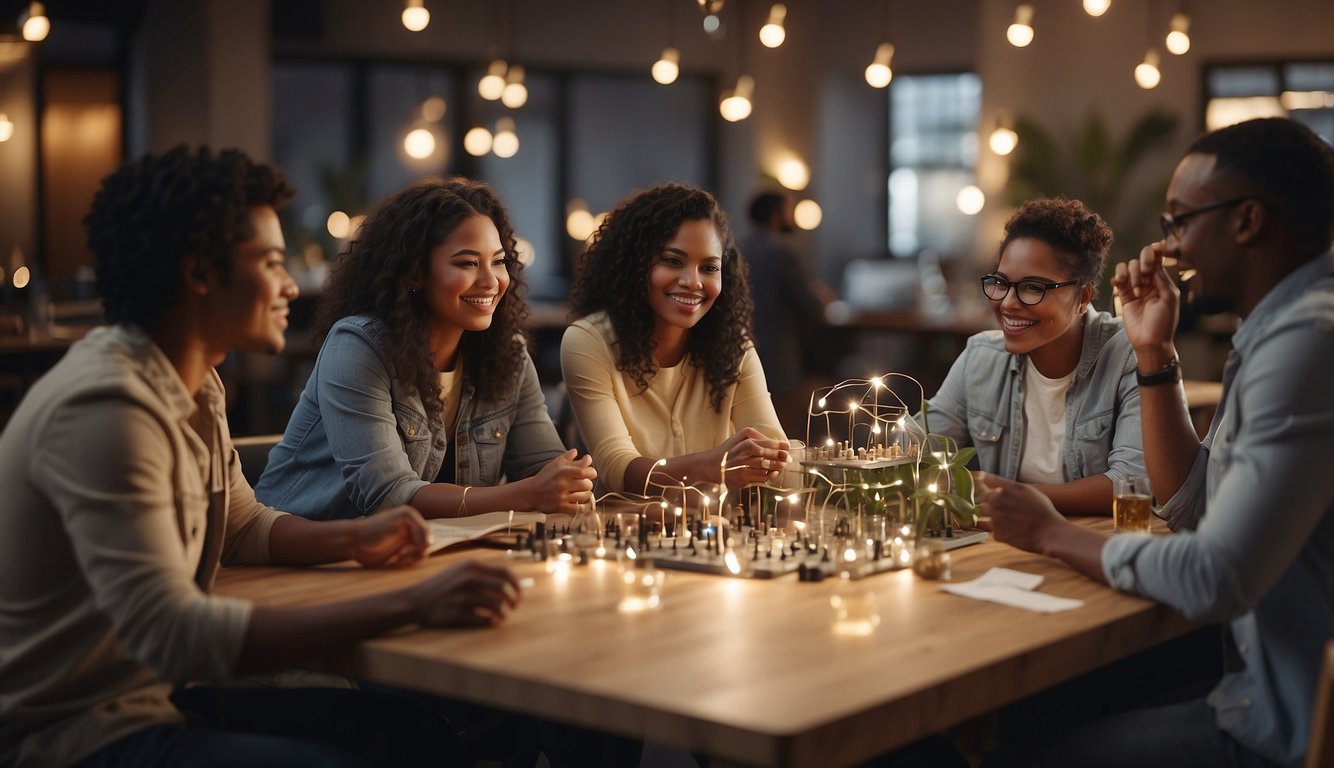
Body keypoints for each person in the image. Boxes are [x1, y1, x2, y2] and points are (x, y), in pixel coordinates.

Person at [0, 146, 523, 767]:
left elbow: (244, 527)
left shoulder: (195, 383)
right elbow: (174, 635)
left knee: (412, 733)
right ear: (199, 275)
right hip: (73, 735)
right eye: (272, 263)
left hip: (159, 700)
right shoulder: (109, 407)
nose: (289, 286)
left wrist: (357, 539)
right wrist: (413, 601)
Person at [978, 117, 1334, 768]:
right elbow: (1191, 508)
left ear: (1248, 221)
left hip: (1290, 727)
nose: (1167, 246)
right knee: (1039, 713)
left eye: (1179, 221)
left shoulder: (1308, 344)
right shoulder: (1274, 330)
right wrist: (1153, 350)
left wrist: (1051, 532)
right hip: (1255, 687)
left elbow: (1215, 577)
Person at [255, 178, 596, 521]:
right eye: (467, 263)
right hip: (304, 554)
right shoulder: (357, 347)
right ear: (416, 272)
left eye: (498, 261)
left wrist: (569, 483)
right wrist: (527, 494)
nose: (491, 281)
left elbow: (543, 470)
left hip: (429, 553)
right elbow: (388, 496)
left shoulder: (508, 354)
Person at [561, 182, 790, 496]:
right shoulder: (589, 341)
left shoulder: (733, 348)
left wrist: (778, 463)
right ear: (635, 263)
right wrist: (715, 464)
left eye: (709, 267)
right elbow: (616, 467)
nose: (693, 282)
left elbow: (780, 465)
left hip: (719, 536)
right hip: (622, 534)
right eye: (672, 261)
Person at [920, 197, 1143, 515]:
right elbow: (921, 455)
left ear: (1082, 297)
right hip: (1003, 552)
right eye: (1001, 283)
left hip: (1094, 550)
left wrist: (1007, 494)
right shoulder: (981, 357)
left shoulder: (1128, 355)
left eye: (1033, 287)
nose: (1009, 303)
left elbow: (1131, 483)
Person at [741, 190, 835, 435]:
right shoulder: (782, 252)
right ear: (776, 215)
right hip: (778, 356)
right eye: (788, 210)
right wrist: (821, 297)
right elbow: (810, 308)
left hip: (740, 349)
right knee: (782, 431)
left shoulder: (737, 248)